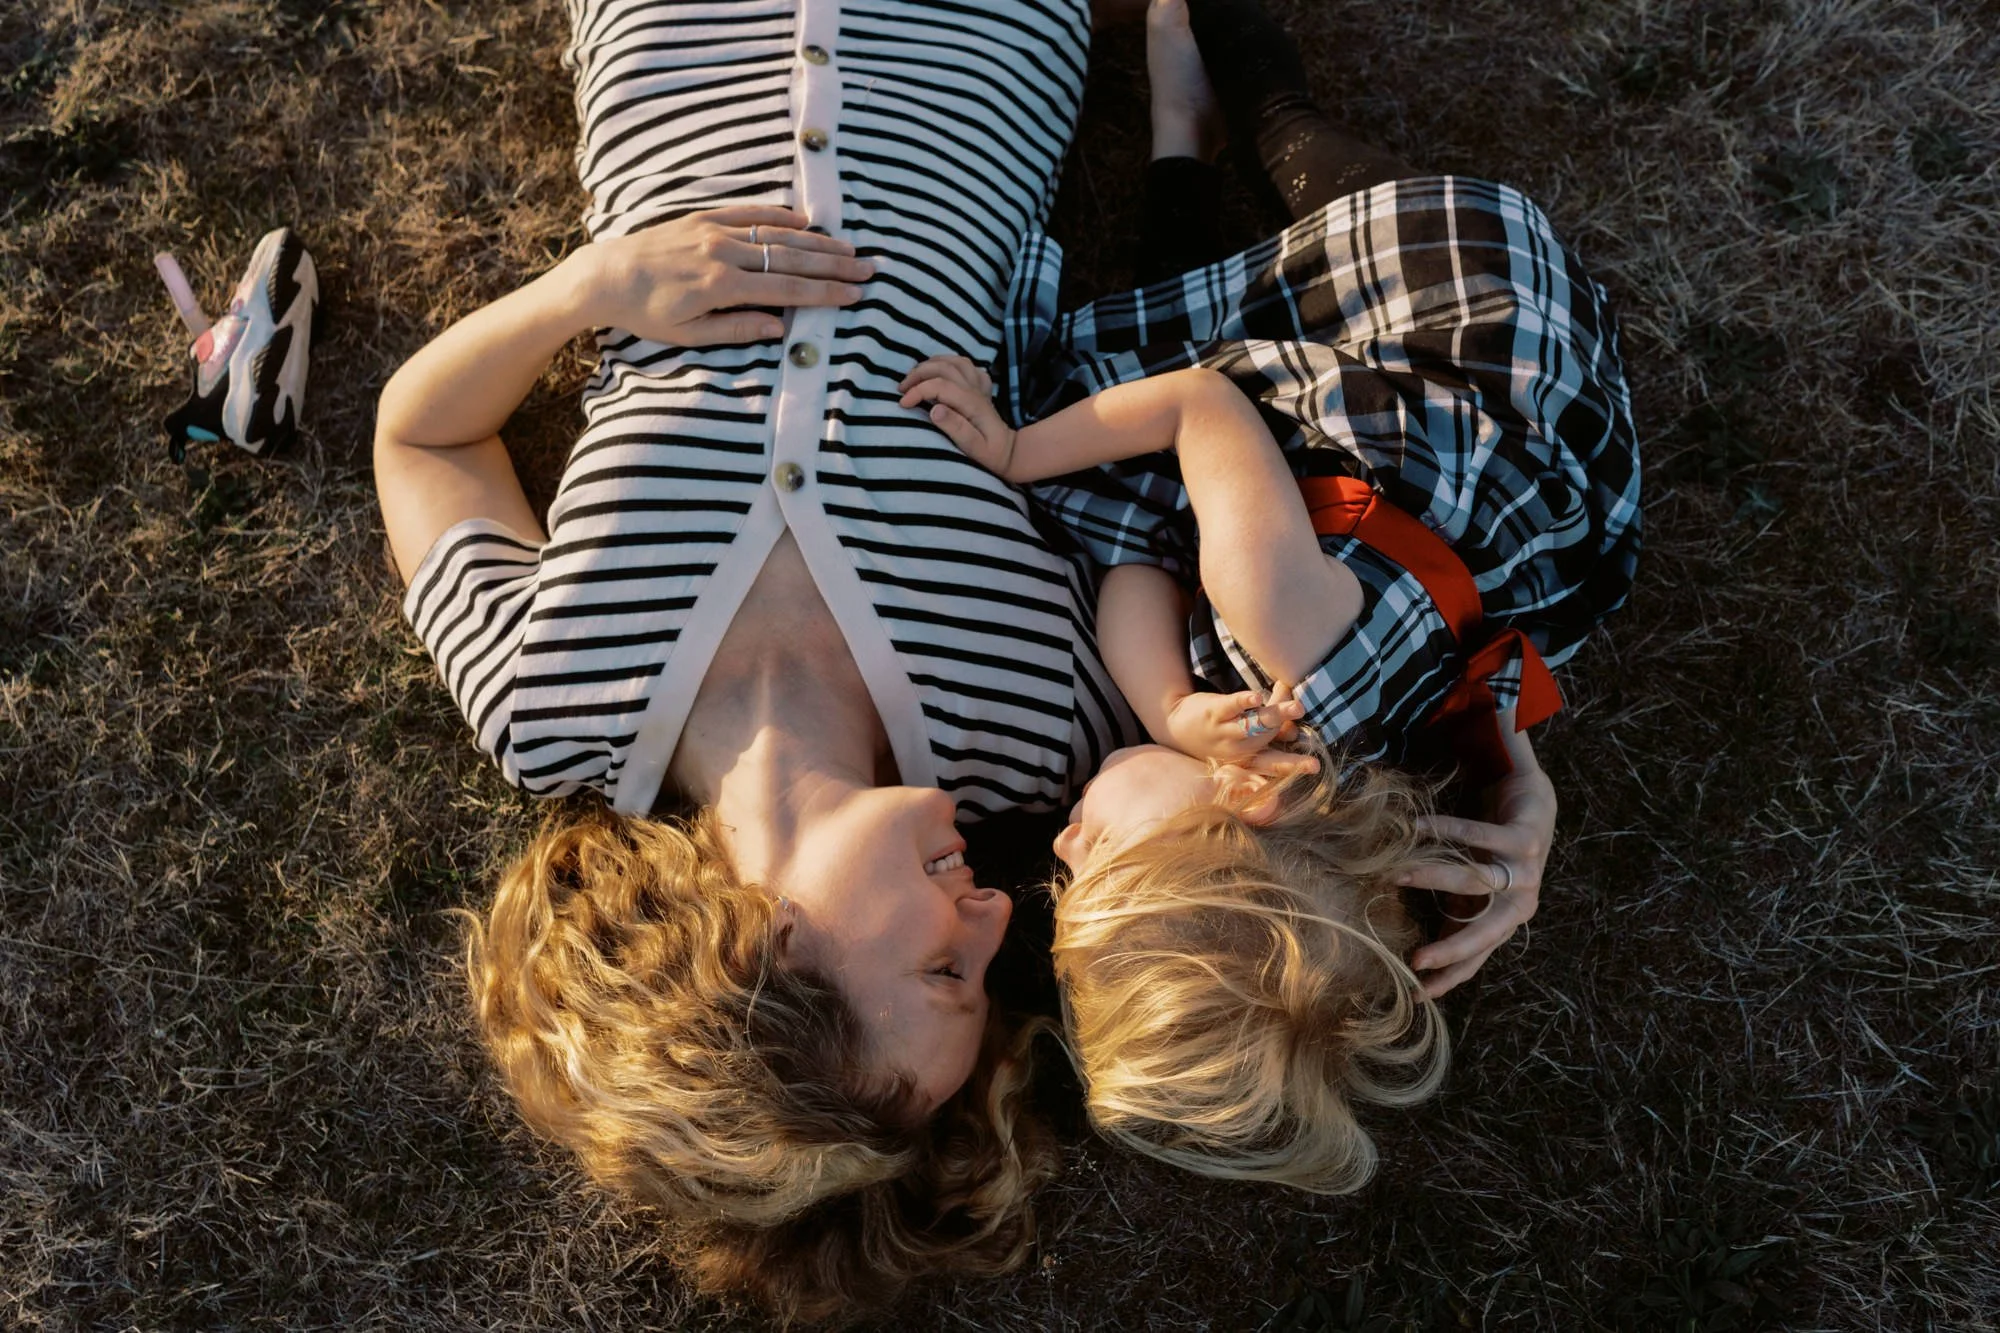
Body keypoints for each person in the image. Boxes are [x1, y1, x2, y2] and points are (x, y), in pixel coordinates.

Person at [373, 0, 1142, 1316]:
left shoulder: (551, 704)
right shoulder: (1040, 729)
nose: (1000, 918)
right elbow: (1258, 641)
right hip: (984, 39)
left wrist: (593, 288)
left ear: (770, 952)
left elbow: (421, 442)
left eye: (944, 970)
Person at [908, 0, 1640, 1189]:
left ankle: (1176, 137)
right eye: (1093, 860)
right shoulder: (1278, 626)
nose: (1061, 844)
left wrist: (1166, 707)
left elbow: (1139, 563)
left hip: (1297, 507)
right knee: (1303, 165)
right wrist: (1014, 450)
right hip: (1450, 344)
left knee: (1140, 480)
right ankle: (1248, 81)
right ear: (1244, 801)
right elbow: (1198, 404)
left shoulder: (1296, 787)